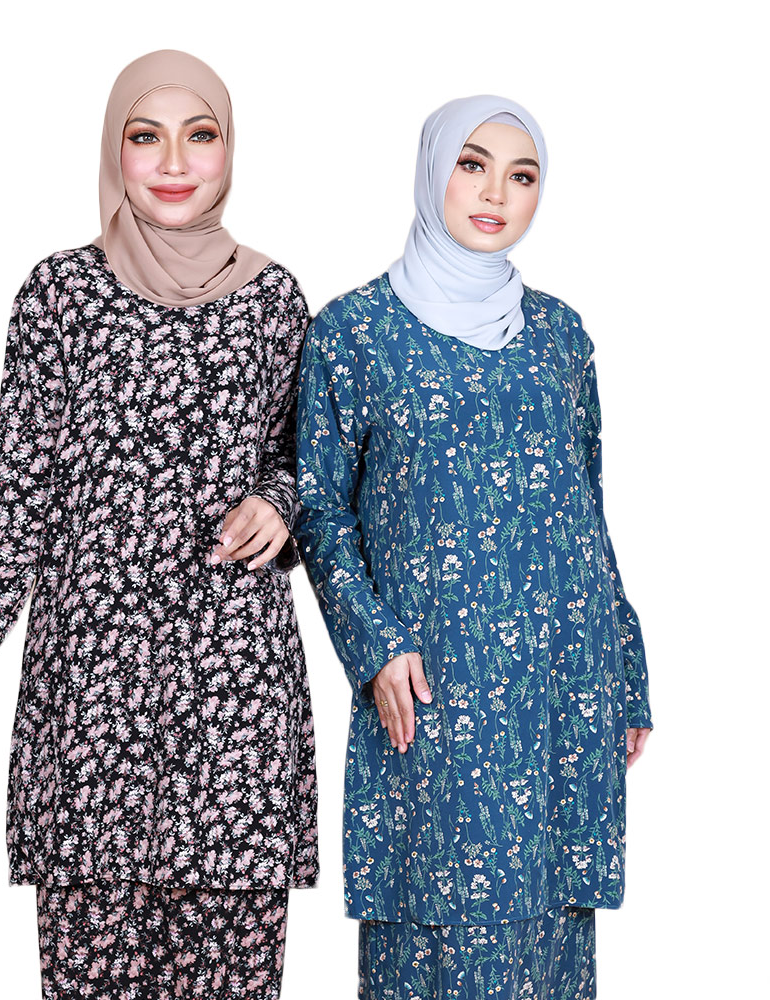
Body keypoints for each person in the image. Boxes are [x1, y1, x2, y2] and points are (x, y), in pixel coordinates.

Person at [0, 49, 318, 1000]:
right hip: (93, 697)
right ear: (113, 150)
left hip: (235, 699)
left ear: (230, 151)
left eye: (200, 135)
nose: (174, 162)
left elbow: (310, 461)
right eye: (146, 137)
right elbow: (19, 490)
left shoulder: (274, 298)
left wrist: (280, 498)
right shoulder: (59, 294)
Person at [294, 95, 652, 999]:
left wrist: (627, 664)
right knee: (435, 939)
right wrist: (375, 647)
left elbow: (586, 508)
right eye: (473, 164)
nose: (496, 193)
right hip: (434, 687)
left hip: (562, 688)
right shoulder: (354, 331)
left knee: (551, 949)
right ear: (433, 171)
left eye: (521, 176)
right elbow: (319, 511)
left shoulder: (560, 334)